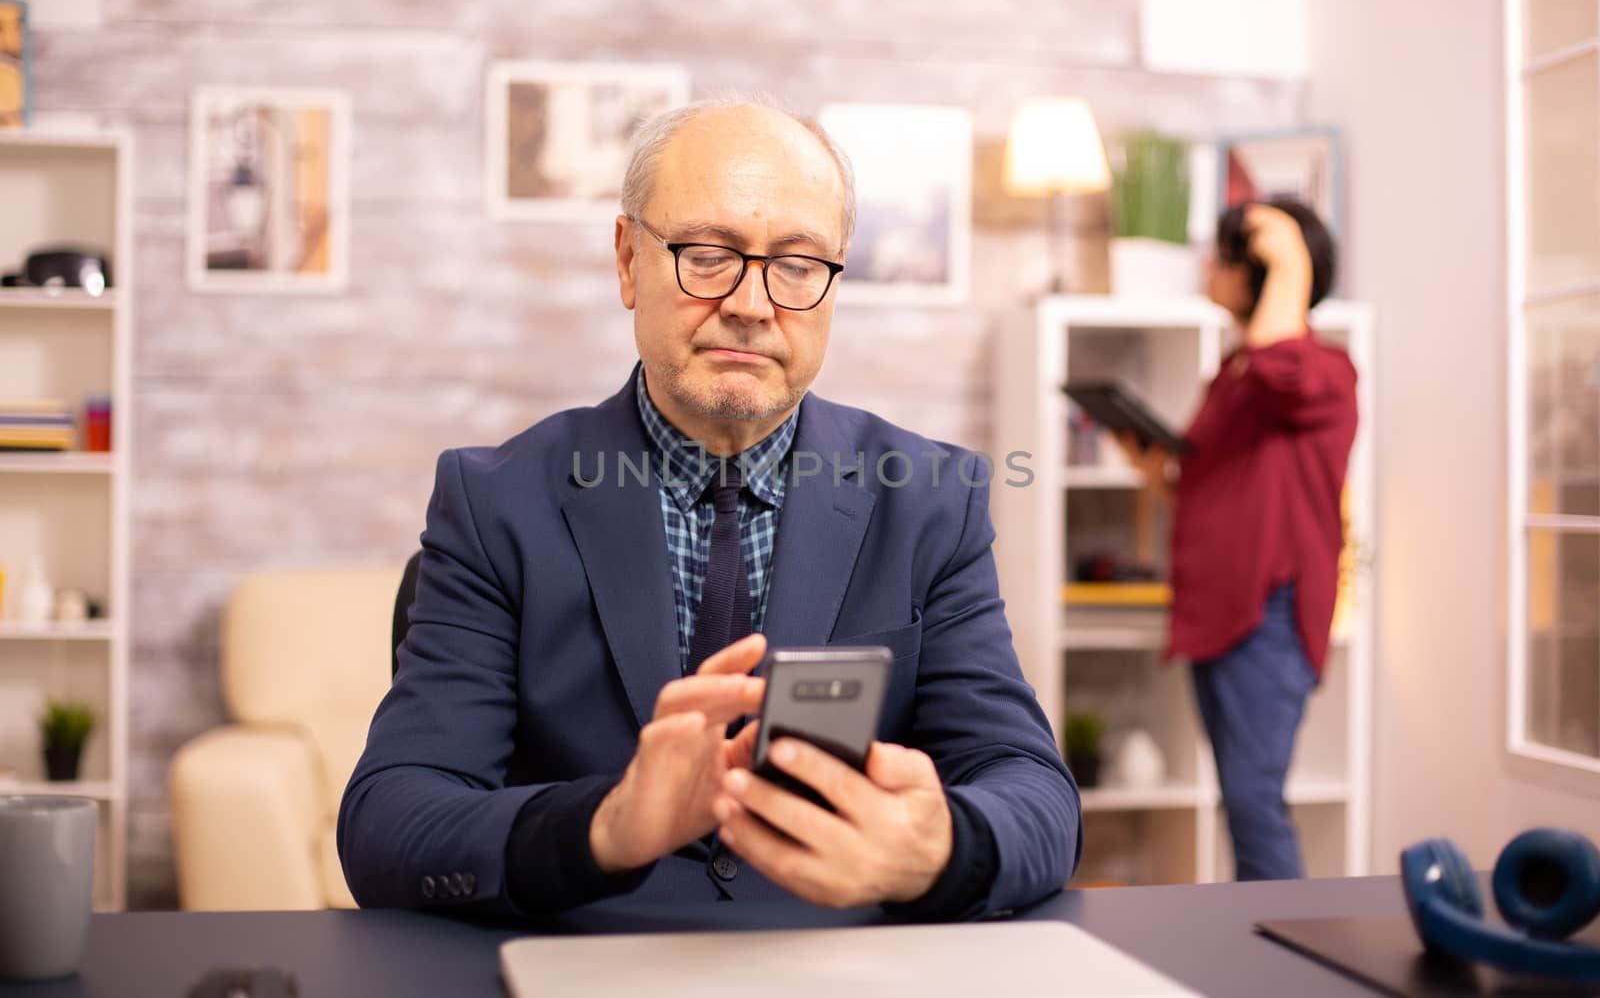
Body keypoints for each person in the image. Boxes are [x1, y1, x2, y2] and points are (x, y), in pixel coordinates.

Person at [338, 97, 1081, 920]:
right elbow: (390, 821)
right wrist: (606, 825)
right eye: (706, 253)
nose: (752, 304)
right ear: (627, 261)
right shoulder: (495, 502)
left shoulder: (932, 501)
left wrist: (942, 848)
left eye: (797, 265)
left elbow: (1034, 790)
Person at [1117, 198, 1356, 881]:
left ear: (1259, 272)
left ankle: (1289, 977)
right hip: (1216, 614)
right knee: (1240, 802)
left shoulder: (1321, 370)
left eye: (1222, 256)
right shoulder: (1235, 374)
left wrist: (1289, 258)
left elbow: (1285, 366)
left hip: (1267, 613)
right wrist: (1152, 468)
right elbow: (1208, 488)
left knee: (1253, 804)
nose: (1206, 267)